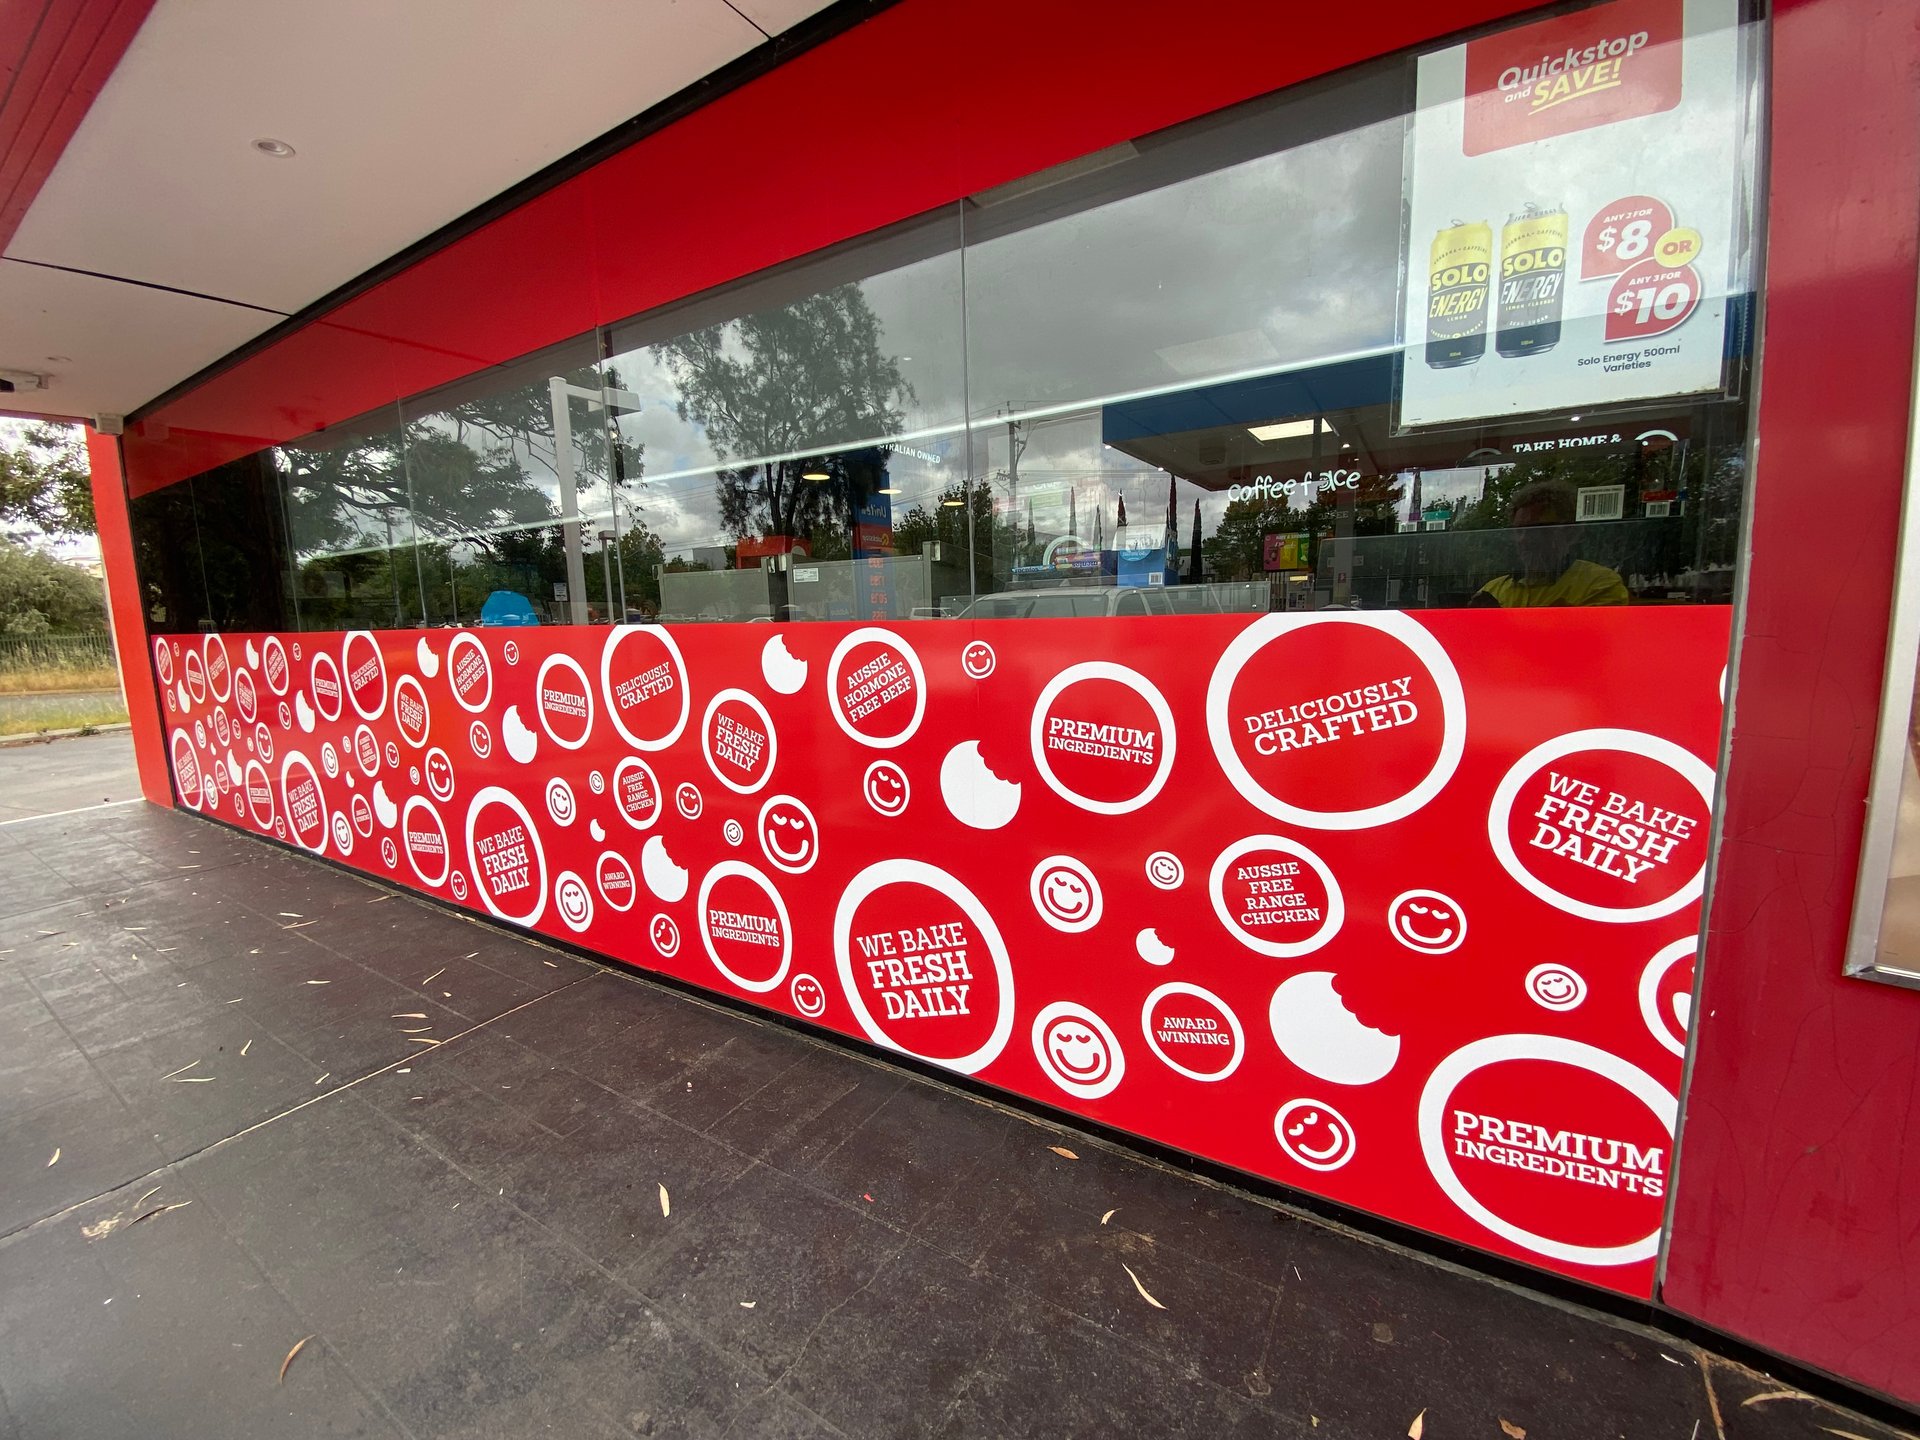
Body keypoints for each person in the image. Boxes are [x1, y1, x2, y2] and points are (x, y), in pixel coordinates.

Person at [1473, 479, 1629, 607]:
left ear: (1570, 533)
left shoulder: (1599, 584)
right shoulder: (1493, 589)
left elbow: (1592, 640)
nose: (1524, 539)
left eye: (1537, 529)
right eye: (1519, 530)